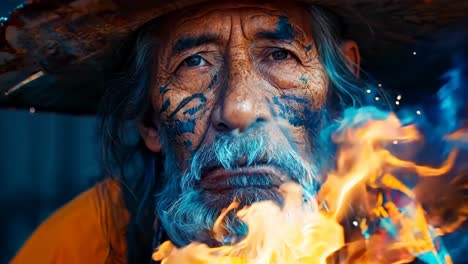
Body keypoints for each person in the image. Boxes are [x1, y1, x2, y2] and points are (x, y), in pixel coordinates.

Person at [2, 0, 466, 263]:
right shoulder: (76, 248)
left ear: (336, 93)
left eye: (280, 55)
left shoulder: (413, 237)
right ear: (149, 121)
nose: (239, 109)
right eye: (194, 62)